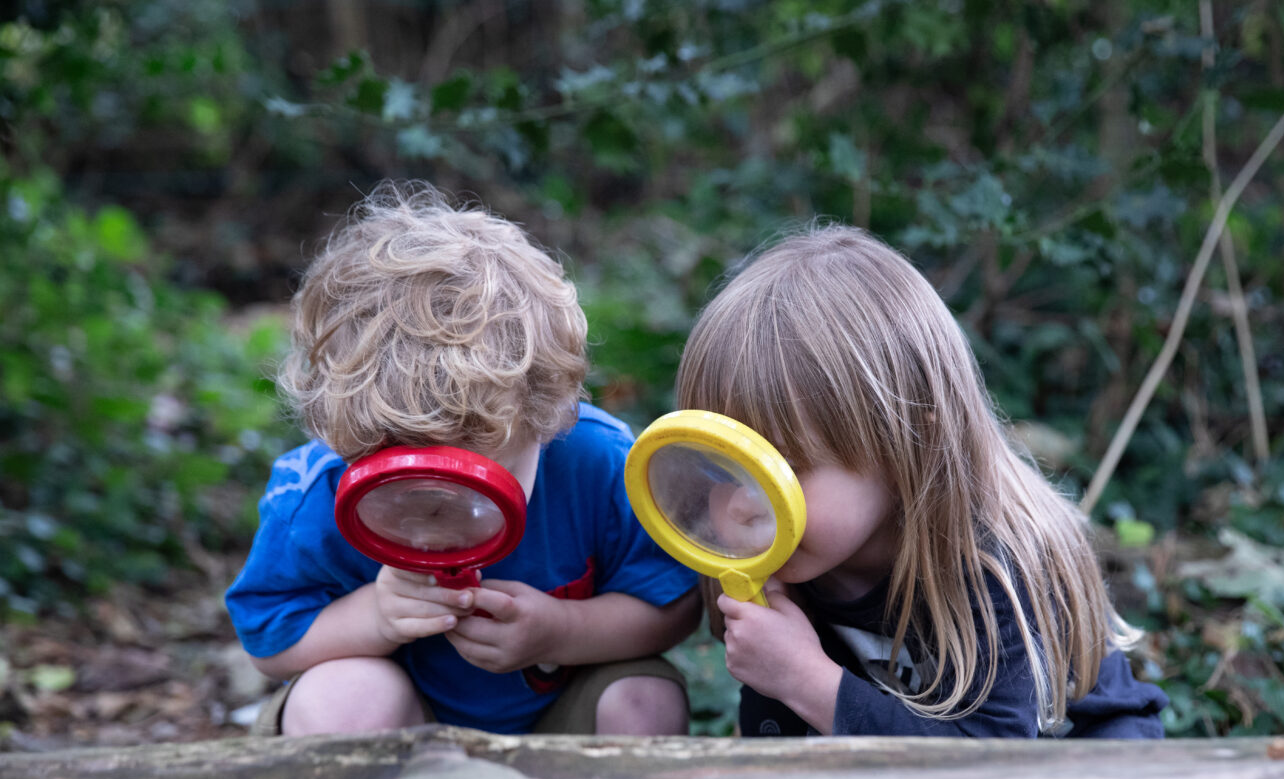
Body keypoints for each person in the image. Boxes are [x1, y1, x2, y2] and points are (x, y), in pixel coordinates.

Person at [225, 181, 700, 737]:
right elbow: (269, 643)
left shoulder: (599, 462)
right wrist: (375, 618)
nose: (440, 526)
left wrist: (561, 630)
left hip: (560, 723)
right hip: (401, 730)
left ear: (545, 420)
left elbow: (672, 606)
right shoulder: (312, 495)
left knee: (643, 699)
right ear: (343, 440)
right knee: (339, 699)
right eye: (403, 495)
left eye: (477, 487)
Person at [677, 224, 1167, 738]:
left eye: (789, 469)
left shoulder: (994, 562)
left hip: (1087, 765)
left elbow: (987, 765)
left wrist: (805, 679)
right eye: (724, 464)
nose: (743, 504)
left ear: (909, 440)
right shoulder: (783, 559)